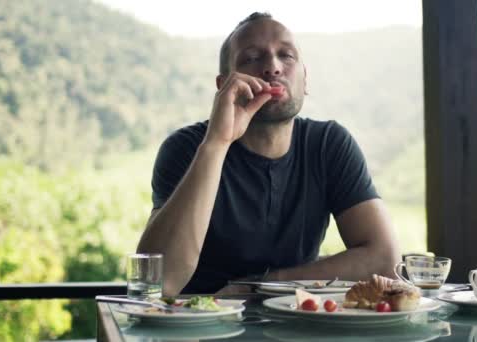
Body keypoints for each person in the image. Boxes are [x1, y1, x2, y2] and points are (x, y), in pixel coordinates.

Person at [137, 12, 401, 296]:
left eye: (286, 56)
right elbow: (159, 282)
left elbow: (384, 259)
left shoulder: (328, 144)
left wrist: (259, 286)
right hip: (198, 328)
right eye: (251, 58)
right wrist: (217, 142)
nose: (273, 67)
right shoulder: (186, 148)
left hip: (298, 323)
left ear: (305, 78)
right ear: (223, 85)